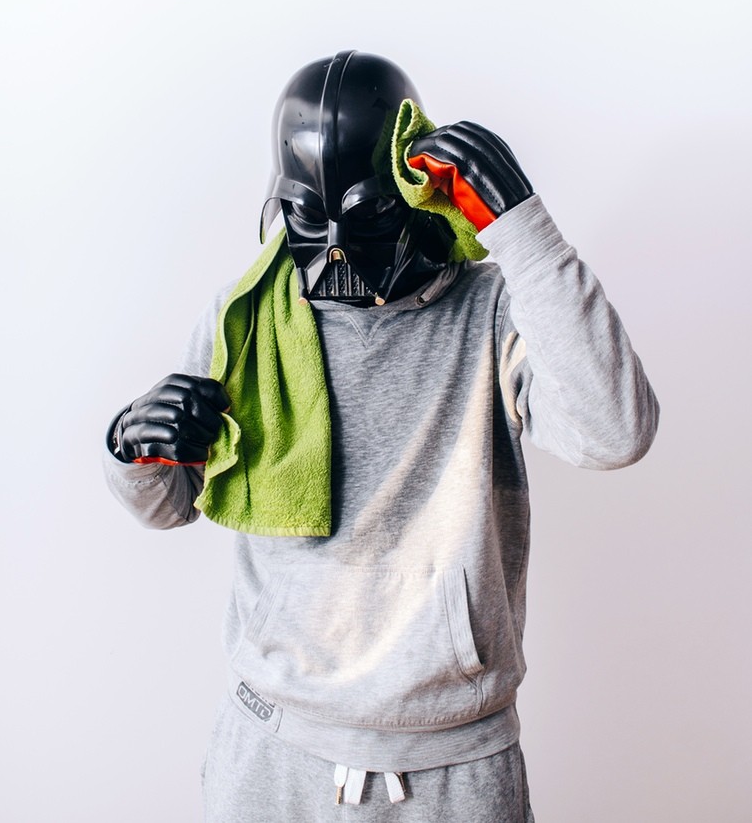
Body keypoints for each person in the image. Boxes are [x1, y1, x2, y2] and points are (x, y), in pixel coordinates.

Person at [104, 50, 659, 822]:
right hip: (269, 753)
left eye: (361, 213)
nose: (333, 243)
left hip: (452, 764)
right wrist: (133, 446)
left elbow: (615, 430)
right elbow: (167, 502)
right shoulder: (245, 316)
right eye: (307, 213)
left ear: (411, 189)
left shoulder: (496, 312)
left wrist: (523, 227)